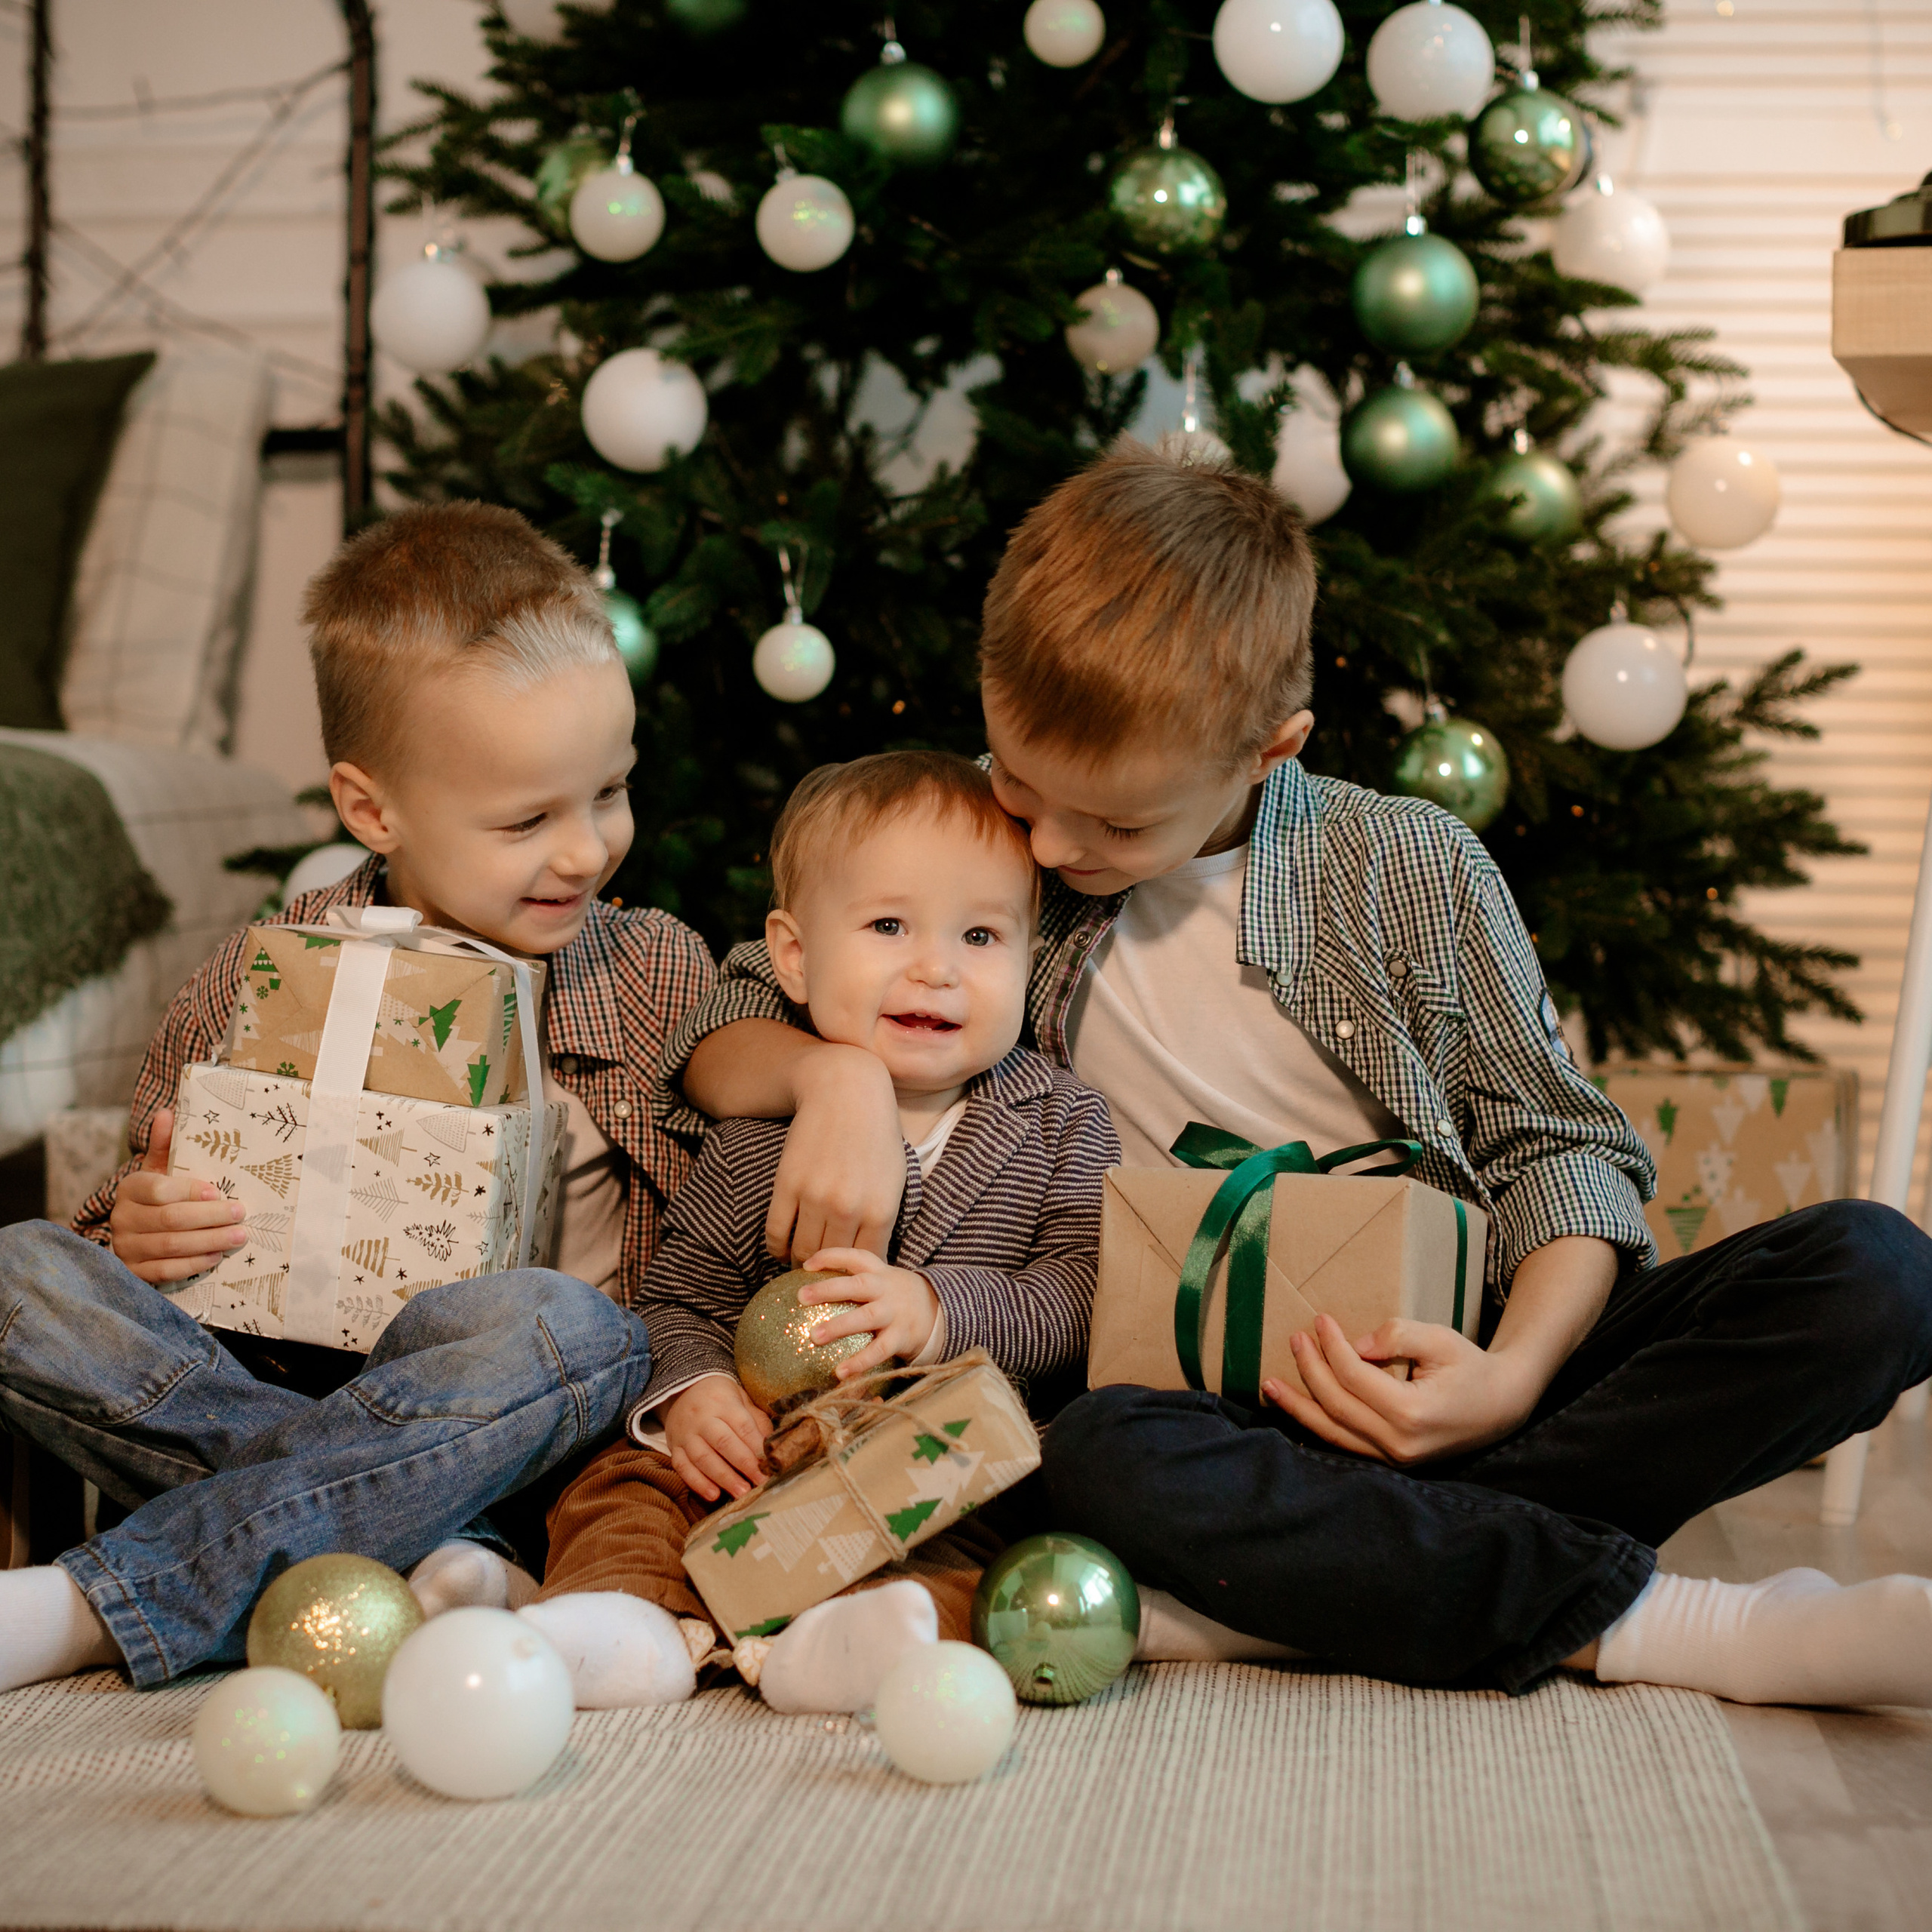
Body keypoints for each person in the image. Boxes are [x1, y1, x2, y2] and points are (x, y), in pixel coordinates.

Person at [651, 441, 1932, 1710]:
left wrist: (1510, 1379)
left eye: (1114, 824)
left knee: (1877, 1275)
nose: (1043, 842)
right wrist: (841, 1084)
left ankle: (1304, 1580)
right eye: (1026, 784)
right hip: (1203, 1412)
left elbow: (1558, 1150)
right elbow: (731, 1018)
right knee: (1096, 1454)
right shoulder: (970, 838)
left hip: (1462, 1360)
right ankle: (1661, 1625)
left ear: (1270, 750)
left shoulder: (1405, 866)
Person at [0, 503, 711, 1694]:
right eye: (529, 819)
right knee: (19, 1268)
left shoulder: (654, 971)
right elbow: (143, 1243)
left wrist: (836, 1078)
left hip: (527, 1424)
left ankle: (94, 1605)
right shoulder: (260, 972)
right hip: (291, 1389)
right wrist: (139, 1226)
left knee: (566, 1325)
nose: (587, 851)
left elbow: (728, 1208)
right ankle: (430, 1552)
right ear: (373, 809)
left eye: (612, 793)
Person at [515, 750, 1118, 1714]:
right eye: (888, 926)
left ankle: (847, 1645)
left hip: (935, 1462)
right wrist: (697, 1391)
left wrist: (935, 1310)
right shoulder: (764, 1126)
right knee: (625, 1481)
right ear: (793, 956)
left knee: (991, 1548)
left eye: (981, 935)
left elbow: (1081, 1292)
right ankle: (622, 1615)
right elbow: (680, 1294)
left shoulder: (1061, 1123)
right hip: (754, 1452)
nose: (936, 967)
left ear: (1029, 957)